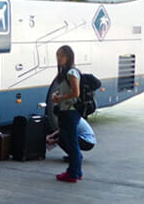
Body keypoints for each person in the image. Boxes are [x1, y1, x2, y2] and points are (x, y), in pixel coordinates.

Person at [50, 45, 83, 183]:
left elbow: (76, 93)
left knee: (71, 142)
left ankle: (72, 173)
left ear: (69, 57)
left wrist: (60, 98)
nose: (59, 58)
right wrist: (58, 94)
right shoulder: (65, 72)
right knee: (71, 141)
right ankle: (76, 171)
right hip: (66, 111)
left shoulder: (71, 72)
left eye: (62, 56)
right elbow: (68, 91)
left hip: (70, 111)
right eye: (57, 55)